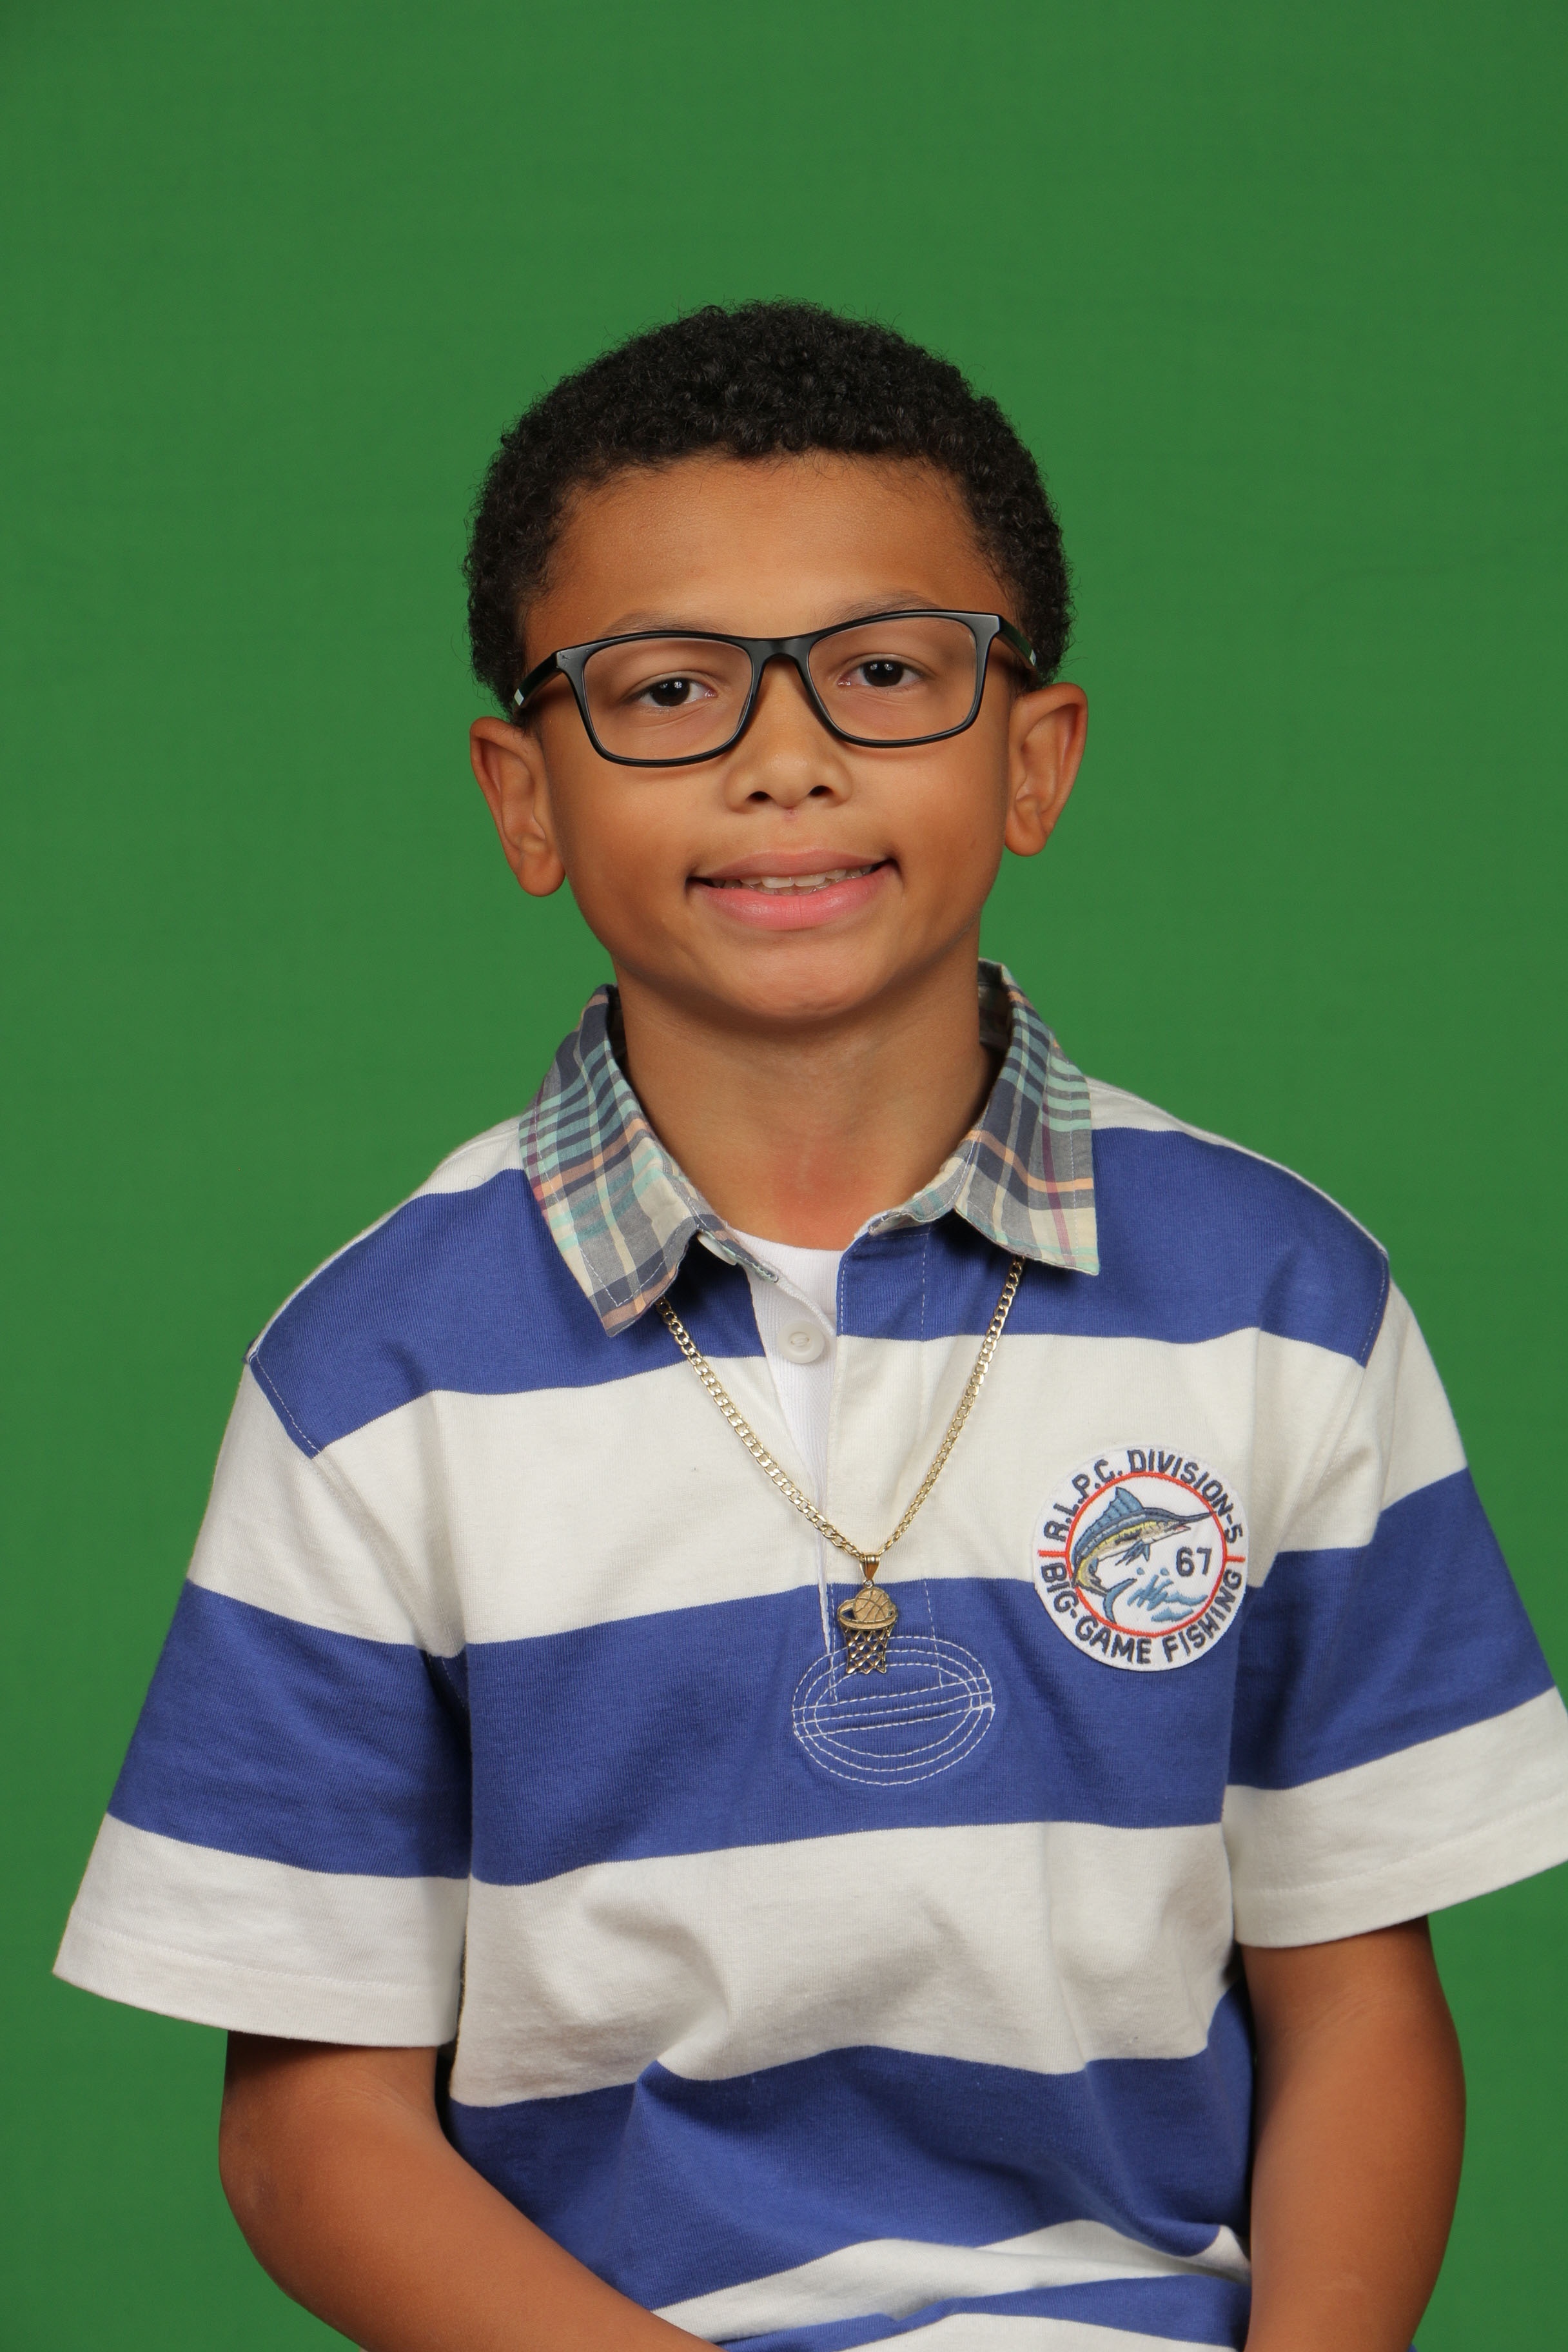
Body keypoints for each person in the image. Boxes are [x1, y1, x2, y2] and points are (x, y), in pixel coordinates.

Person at [56, 302, 1568, 2352]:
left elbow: (1360, 2008)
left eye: (884, 672)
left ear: (1034, 757)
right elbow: (311, 2137)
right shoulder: (372, 1385)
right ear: (524, 797)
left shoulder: (1286, 1308)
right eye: (669, 689)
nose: (786, 758)